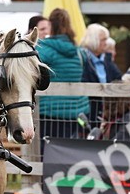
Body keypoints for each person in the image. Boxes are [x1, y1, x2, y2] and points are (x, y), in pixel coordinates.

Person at [35, 8, 90, 141]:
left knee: (45, 156)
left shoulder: (42, 49)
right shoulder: (79, 53)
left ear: (51, 26)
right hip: (75, 113)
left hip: (49, 112)